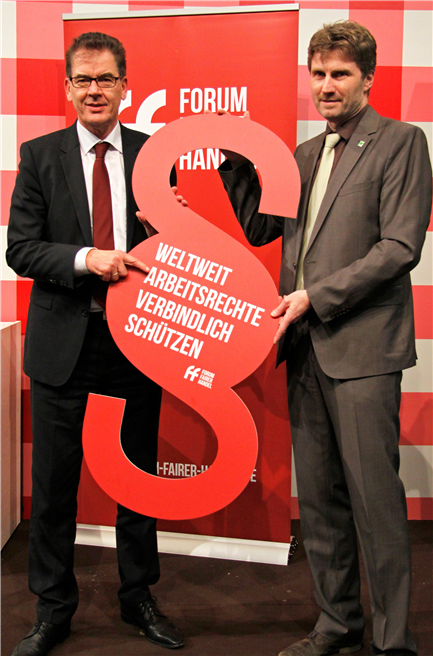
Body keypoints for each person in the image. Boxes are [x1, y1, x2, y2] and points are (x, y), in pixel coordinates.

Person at [218, 21, 432, 656]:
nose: (327, 85)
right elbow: (262, 229)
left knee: (375, 502)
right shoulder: (304, 155)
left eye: (341, 73)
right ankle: (337, 625)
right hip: (304, 348)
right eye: (318, 74)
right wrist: (232, 161)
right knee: (319, 501)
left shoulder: (401, 141)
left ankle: (393, 641)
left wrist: (317, 295)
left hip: (363, 349)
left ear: (369, 78)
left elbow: (400, 247)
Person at [7, 32, 185, 656]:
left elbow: (174, 254)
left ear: (124, 86)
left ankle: (138, 596)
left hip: (136, 345)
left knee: (139, 482)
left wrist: (169, 226)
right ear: (67, 87)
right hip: (63, 346)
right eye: (83, 79)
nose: (94, 90)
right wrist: (88, 258)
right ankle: (53, 610)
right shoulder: (39, 156)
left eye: (105, 79)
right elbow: (21, 249)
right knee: (54, 488)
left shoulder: (152, 154)